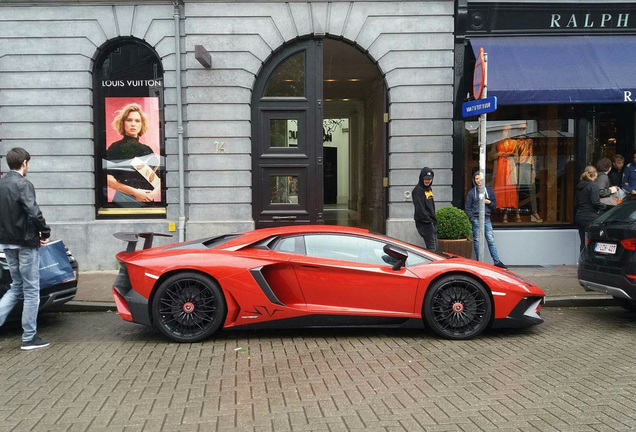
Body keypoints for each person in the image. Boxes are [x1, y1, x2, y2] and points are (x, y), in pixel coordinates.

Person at [0, 148, 51, 350]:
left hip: (6, 243)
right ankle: (29, 338)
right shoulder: (23, 184)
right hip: (25, 243)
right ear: (24, 163)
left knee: (17, 286)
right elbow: (33, 212)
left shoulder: (1, 183)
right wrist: (45, 232)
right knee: (31, 291)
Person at [106, 103, 160, 206]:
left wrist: (152, 195)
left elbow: (157, 180)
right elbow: (109, 180)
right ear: (123, 123)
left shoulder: (147, 149)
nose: (133, 124)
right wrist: (135, 193)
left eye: (137, 121)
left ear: (141, 124)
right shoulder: (115, 148)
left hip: (147, 203)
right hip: (124, 202)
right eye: (129, 120)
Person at [465, 171, 507, 269]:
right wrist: (472, 218)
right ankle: (480, 262)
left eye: (480, 178)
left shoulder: (489, 191)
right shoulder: (472, 193)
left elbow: (494, 206)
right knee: (477, 241)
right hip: (476, 219)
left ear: (484, 179)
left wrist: (488, 202)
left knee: (490, 240)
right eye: (476, 179)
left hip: (486, 218)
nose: (478, 181)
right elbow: (468, 207)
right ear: (474, 180)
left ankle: (496, 261)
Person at [492, 125, 519, 223]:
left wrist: (510, 154)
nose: (507, 132)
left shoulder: (514, 142)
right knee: (500, 187)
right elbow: (491, 156)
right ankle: (499, 210)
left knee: (510, 187)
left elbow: (517, 155)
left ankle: (508, 213)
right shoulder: (496, 142)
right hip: (500, 167)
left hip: (510, 166)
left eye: (509, 130)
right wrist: (500, 154)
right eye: (505, 130)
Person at [574, 165, 605, 252]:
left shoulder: (579, 186)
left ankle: (582, 260)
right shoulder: (593, 186)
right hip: (590, 217)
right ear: (595, 174)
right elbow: (595, 202)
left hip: (580, 216)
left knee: (583, 242)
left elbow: (576, 203)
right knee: (592, 241)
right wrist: (605, 207)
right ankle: (590, 261)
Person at [413, 167, 437, 251]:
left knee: (435, 247)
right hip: (425, 223)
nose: (428, 181)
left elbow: (431, 205)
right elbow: (420, 209)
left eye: (430, 179)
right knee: (432, 248)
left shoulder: (429, 188)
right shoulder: (417, 191)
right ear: (421, 178)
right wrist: (428, 220)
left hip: (431, 222)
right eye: (426, 179)